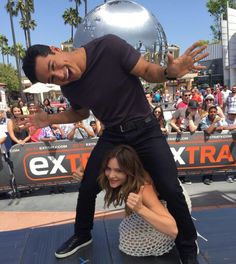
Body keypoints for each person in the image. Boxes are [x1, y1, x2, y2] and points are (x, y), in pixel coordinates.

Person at [22, 34, 208, 264]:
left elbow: (149, 71)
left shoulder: (108, 47)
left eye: (53, 66)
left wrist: (170, 72)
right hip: (112, 134)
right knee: (88, 185)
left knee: (170, 189)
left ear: (55, 49)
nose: (60, 75)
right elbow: (80, 113)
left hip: (145, 129)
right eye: (52, 78)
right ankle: (82, 234)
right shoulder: (68, 87)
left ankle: (188, 246)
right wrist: (49, 119)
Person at [99, 145, 178, 256]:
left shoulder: (143, 188)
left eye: (118, 171)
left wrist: (140, 209)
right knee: (126, 232)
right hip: (154, 203)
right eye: (108, 169)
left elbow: (173, 229)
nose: (111, 175)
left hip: (170, 206)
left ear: (129, 170)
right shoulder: (131, 178)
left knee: (131, 242)